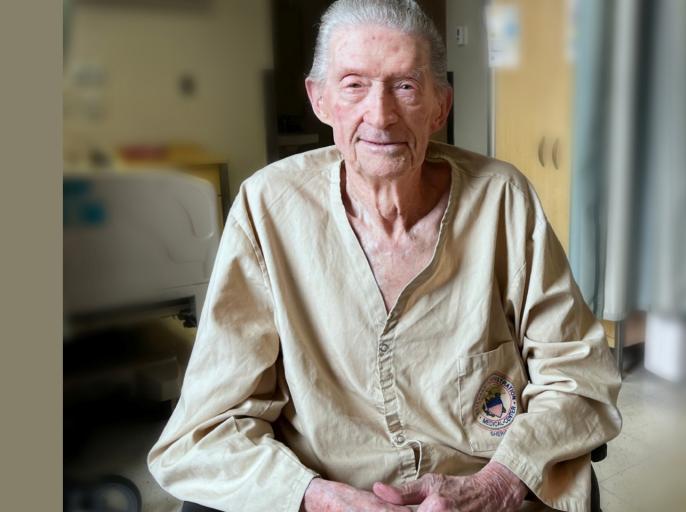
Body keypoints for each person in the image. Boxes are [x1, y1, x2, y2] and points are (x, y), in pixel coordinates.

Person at [147, 1, 622, 511]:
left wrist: (497, 485)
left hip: (481, 484)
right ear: (320, 99)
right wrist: (317, 498)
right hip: (329, 490)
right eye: (353, 84)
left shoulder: (503, 199)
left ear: (441, 105)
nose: (380, 115)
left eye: (405, 86)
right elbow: (208, 424)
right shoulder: (268, 208)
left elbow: (579, 375)